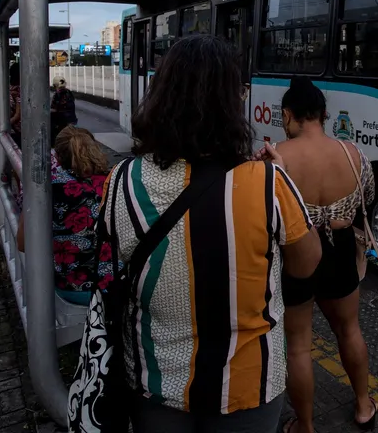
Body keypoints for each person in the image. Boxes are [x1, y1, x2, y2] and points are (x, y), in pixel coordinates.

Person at [102, 34, 322, 432]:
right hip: (248, 387)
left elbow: (117, 257)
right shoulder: (270, 183)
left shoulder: (122, 181)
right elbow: (307, 265)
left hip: (154, 383)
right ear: (230, 102)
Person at [257, 77, 378, 433]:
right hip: (339, 249)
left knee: (298, 346)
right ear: (324, 115)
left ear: (289, 114)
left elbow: (264, 212)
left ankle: (305, 426)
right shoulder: (352, 153)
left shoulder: (275, 158)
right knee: (349, 329)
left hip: (295, 254)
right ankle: (362, 407)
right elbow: (366, 196)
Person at [16, 126, 109, 305]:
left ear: (56, 156)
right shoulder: (114, 179)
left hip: (73, 288)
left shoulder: (47, 188)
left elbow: (23, 243)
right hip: (115, 283)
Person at [50, 76, 77, 144]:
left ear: (55, 85)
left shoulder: (57, 94)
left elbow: (54, 109)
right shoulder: (69, 92)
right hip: (72, 120)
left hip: (62, 122)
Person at [8, 62, 22, 147]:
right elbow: (18, 115)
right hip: (20, 130)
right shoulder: (20, 91)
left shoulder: (8, 88)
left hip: (11, 129)